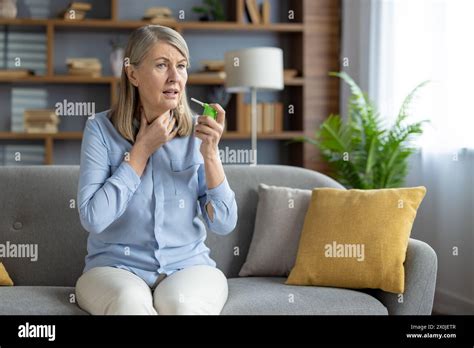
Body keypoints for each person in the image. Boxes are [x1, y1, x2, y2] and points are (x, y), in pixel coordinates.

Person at [75, 25, 238, 315]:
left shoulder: (197, 133)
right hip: (114, 268)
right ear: (133, 74)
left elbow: (224, 223)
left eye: (182, 66)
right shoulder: (100, 130)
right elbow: (93, 218)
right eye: (162, 65)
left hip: (188, 268)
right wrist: (141, 151)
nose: (176, 77)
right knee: (129, 304)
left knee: (182, 306)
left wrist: (211, 154)